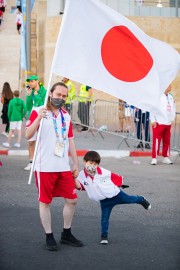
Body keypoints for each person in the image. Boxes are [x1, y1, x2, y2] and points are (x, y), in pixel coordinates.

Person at [25, 82, 83, 251]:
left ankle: (66, 233)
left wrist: (75, 162)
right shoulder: (39, 111)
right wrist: (38, 118)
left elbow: (70, 139)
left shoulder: (66, 115)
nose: (61, 98)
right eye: (58, 95)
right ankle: (49, 236)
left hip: (63, 166)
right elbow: (28, 135)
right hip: (45, 167)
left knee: (72, 200)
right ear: (51, 94)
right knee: (45, 202)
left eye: (64, 96)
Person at [75, 151, 151, 244]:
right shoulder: (81, 175)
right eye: (90, 163)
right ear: (84, 161)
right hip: (104, 201)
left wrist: (120, 184)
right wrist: (74, 178)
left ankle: (141, 199)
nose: (92, 166)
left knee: (131, 199)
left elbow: (115, 177)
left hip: (116, 195)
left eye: (95, 164)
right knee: (104, 218)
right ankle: (104, 236)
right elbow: (80, 187)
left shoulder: (103, 172)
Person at [24, 75, 46, 171]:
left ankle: (41, 161)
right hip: (33, 115)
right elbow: (28, 106)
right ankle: (31, 161)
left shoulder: (44, 91)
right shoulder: (31, 92)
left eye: (32, 81)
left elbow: (42, 102)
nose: (30, 83)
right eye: (29, 82)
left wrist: (36, 94)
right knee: (31, 140)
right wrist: (28, 95)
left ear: (37, 81)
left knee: (42, 139)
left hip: (42, 115)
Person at [150, 84, 176, 165]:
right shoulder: (158, 96)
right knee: (157, 141)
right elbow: (152, 108)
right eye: (169, 85)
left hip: (168, 122)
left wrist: (172, 118)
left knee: (166, 141)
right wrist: (153, 120)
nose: (171, 86)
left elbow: (173, 107)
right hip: (159, 122)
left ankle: (166, 157)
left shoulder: (170, 96)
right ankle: (154, 158)